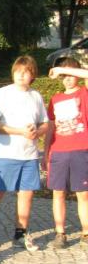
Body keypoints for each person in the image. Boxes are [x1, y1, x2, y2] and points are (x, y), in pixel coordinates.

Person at [0, 55, 49, 252]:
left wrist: (37, 132)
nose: (21, 75)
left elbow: (45, 123)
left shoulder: (36, 96)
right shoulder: (2, 93)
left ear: (32, 75)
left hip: (29, 155)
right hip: (4, 154)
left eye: (25, 72)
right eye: (18, 71)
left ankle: (21, 233)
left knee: (26, 194)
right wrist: (18, 131)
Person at [45, 59, 88, 247]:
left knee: (83, 194)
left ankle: (86, 232)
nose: (68, 79)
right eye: (64, 76)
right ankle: (60, 233)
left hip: (81, 150)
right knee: (58, 193)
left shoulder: (84, 93)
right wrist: (45, 153)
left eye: (71, 75)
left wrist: (61, 68)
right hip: (59, 152)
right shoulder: (55, 99)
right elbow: (50, 128)